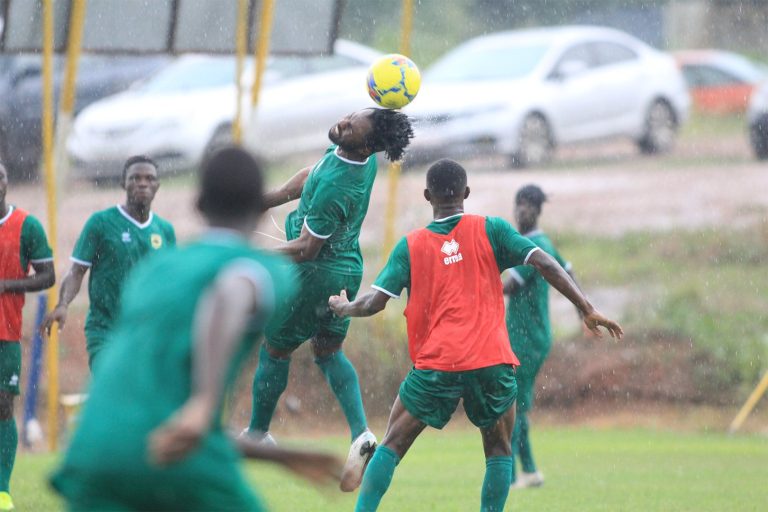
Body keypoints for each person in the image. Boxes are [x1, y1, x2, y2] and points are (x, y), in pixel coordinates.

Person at [51, 148, 343, 511]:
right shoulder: (261, 268)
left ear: (199, 204)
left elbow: (156, 417)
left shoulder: (156, 270)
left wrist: (276, 456)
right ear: (260, 207)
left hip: (93, 450)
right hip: (171, 455)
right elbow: (230, 292)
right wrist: (205, 403)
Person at [328, 159, 623, 512]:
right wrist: (586, 307)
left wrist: (344, 307)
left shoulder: (412, 245)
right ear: (466, 193)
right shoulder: (492, 230)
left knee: (392, 443)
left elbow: (375, 302)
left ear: (427, 196)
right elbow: (543, 262)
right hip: (491, 359)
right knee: (498, 449)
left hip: (439, 362)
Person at [246, 108, 413, 492]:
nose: (344, 122)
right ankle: (361, 435)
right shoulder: (354, 155)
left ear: (367, 144)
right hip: (345, 270)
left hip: (312, 276)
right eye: (351, 115)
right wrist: (268, 201)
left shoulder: (341, 183)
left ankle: (257, 433)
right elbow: (310, 176)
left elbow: (306, 248)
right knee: (328, 352)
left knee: (275, 350)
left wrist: (256, 257)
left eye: (353, 125)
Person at [41, 156, 175, 370]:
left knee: (139, 399)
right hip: (105, 331)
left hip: (145, 332)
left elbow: (168, 283)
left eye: (149, 178)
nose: (142, 183)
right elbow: (76, 271)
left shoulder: (164, 230)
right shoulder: (101, 223)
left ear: (157, 185)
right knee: (115, 392)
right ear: (123, 183)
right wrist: (63, 304)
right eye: (135, 178)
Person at [503, 184, 583, 489]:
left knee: (510, 404)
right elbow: (568, 271)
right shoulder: (540, 243)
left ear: (537, 210)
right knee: (515, 404)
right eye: (518, 203)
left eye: (527, 205)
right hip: (528, 335)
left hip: (527, 337)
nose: (521, 210)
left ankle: (509, 476)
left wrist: (474, 286)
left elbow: (509, 286)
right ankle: (530, 471)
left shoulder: (534, 246)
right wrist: (582, 311)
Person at [0, 163, 55, 511]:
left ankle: (1, 490)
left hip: (6, 332)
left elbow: (47, 275)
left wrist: (9, 286)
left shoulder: (26, 225)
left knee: (3, 407)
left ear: (6, 182)